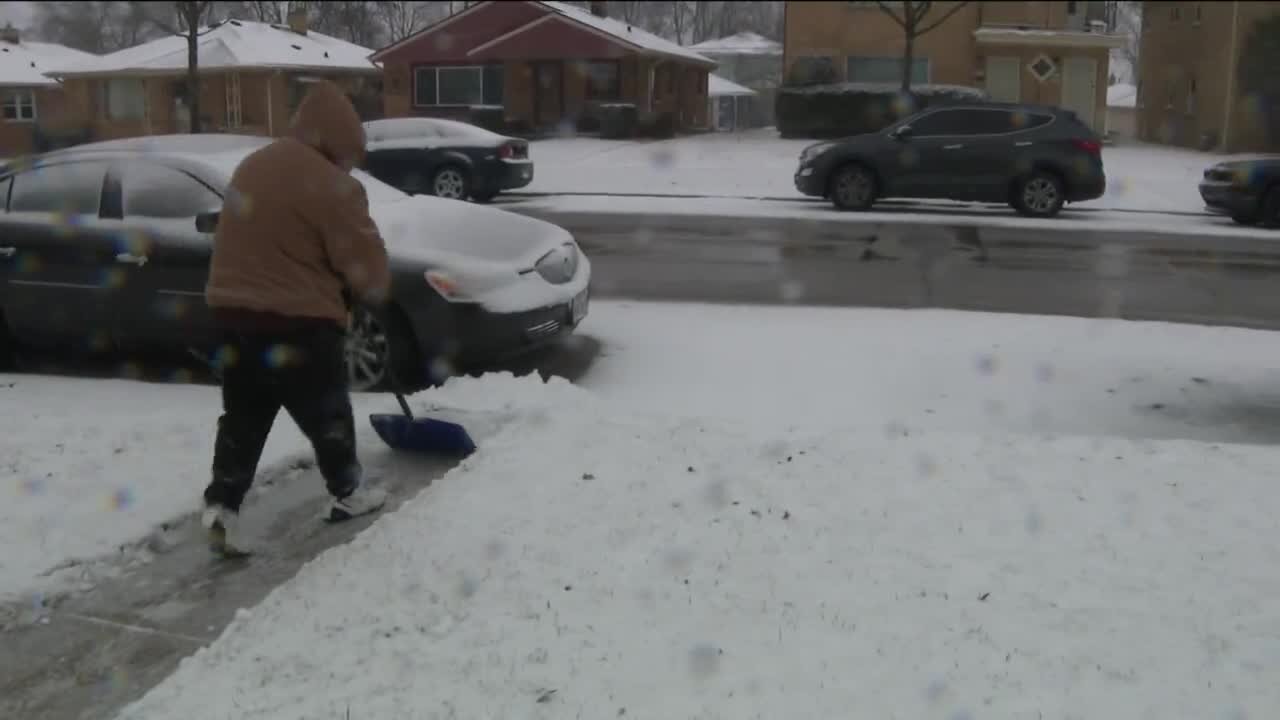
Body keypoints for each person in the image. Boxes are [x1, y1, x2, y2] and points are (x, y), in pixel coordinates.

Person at [200, 80, 391, 555]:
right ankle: (349, 492)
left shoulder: (253, 165)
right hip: (297, 322)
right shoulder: (333, 186)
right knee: (326, 412)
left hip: (232, 316)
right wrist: (369, 285)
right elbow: (366, 268)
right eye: (348, 155)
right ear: (335, 143)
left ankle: (223, 505)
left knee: (243, 416)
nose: (349, 165)